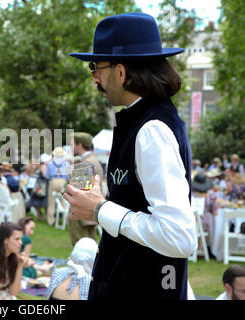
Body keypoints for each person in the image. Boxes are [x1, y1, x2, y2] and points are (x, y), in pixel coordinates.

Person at [65, 12, 197, 300]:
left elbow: (179, 237)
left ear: (121, 72)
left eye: (95, 67)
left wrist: (101, 209)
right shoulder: (142, 121)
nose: (95, 78)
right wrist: (103, 203)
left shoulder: (152, 129)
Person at [68, 132, 105, 246]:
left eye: (72, 144)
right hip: (90, 210)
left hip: (82, 210)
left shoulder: (86, 162)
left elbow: (76, 187)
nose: (71, 147)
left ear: (79, 145)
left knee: (80, 246)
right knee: (91, 246)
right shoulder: (93, 159)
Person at [45, 147, 69, 226]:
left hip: (53, 181)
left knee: (51, 202)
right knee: (64, 201)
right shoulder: (66, 163)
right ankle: (67, 219)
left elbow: (47, 175)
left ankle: (51, 220)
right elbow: (69, 174)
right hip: (63, 181)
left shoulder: (50, 163)